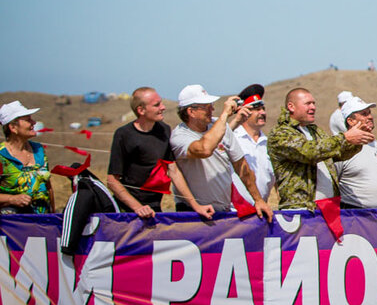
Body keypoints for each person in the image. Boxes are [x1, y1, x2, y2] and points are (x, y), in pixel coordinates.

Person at [107, 87, 213, 219]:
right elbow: (112, 180)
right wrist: (137, 208)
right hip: (128, 211)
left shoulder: (164, 130)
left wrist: (196, 206)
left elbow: (173, 170)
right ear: (141, 110)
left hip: (154, 209)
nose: (163, 107)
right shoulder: (123, 134)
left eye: (161, 102)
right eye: (157, 105)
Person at [170, 84, 272, 220]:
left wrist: (258, 200)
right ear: (191, 111)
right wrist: (224, 115)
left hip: (222, 210)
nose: (212, 109)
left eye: (211, 105)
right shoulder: (180, 136)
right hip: (194, 212)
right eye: (206, 107)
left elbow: (241, 166)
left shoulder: (219, 126)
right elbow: (204, 149)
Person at [268, 87, 372, 211]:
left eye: (314, 103)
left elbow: (338, 154)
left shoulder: (314, 131)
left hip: (327, 209)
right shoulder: (280, 133)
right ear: (291, 107)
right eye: (308, 103)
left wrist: (357, 139)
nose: (313, 107)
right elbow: (309, 152)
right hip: (300, 210)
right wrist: (345, 137)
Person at [329, 96, 377, 209]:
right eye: (364, 114)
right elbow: (331, 185)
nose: (370, 117)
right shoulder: (342, 149)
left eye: (370, 113)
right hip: (354, 214)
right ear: (351, 121)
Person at [0, 101, 54, 213]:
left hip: (43, 222)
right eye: (28, 120)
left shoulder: (39, 150)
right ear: (13, 127)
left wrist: (53, 217)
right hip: (12, 225)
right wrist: (12, 199)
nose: (33, 122)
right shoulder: (2, 155)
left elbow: (48, 187)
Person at [230, 84, 275, 209]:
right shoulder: (233, 138)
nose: (262, 112)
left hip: (261, 210)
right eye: (256, 109)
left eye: (263, 108)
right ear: (244, 111)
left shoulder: (268, 143)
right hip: (234, 212)